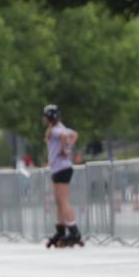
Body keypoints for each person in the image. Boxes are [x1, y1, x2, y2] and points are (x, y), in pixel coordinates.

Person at [43, 104, 82, 248]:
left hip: (61, 168)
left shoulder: (55, 130)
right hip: (58, 168)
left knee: (63, 201)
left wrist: (66, 149)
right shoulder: (60, 127)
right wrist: (67, 147)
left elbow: (66, 136)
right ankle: (61, 229)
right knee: (59, 201)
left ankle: (73, 230)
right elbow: (74, 134)